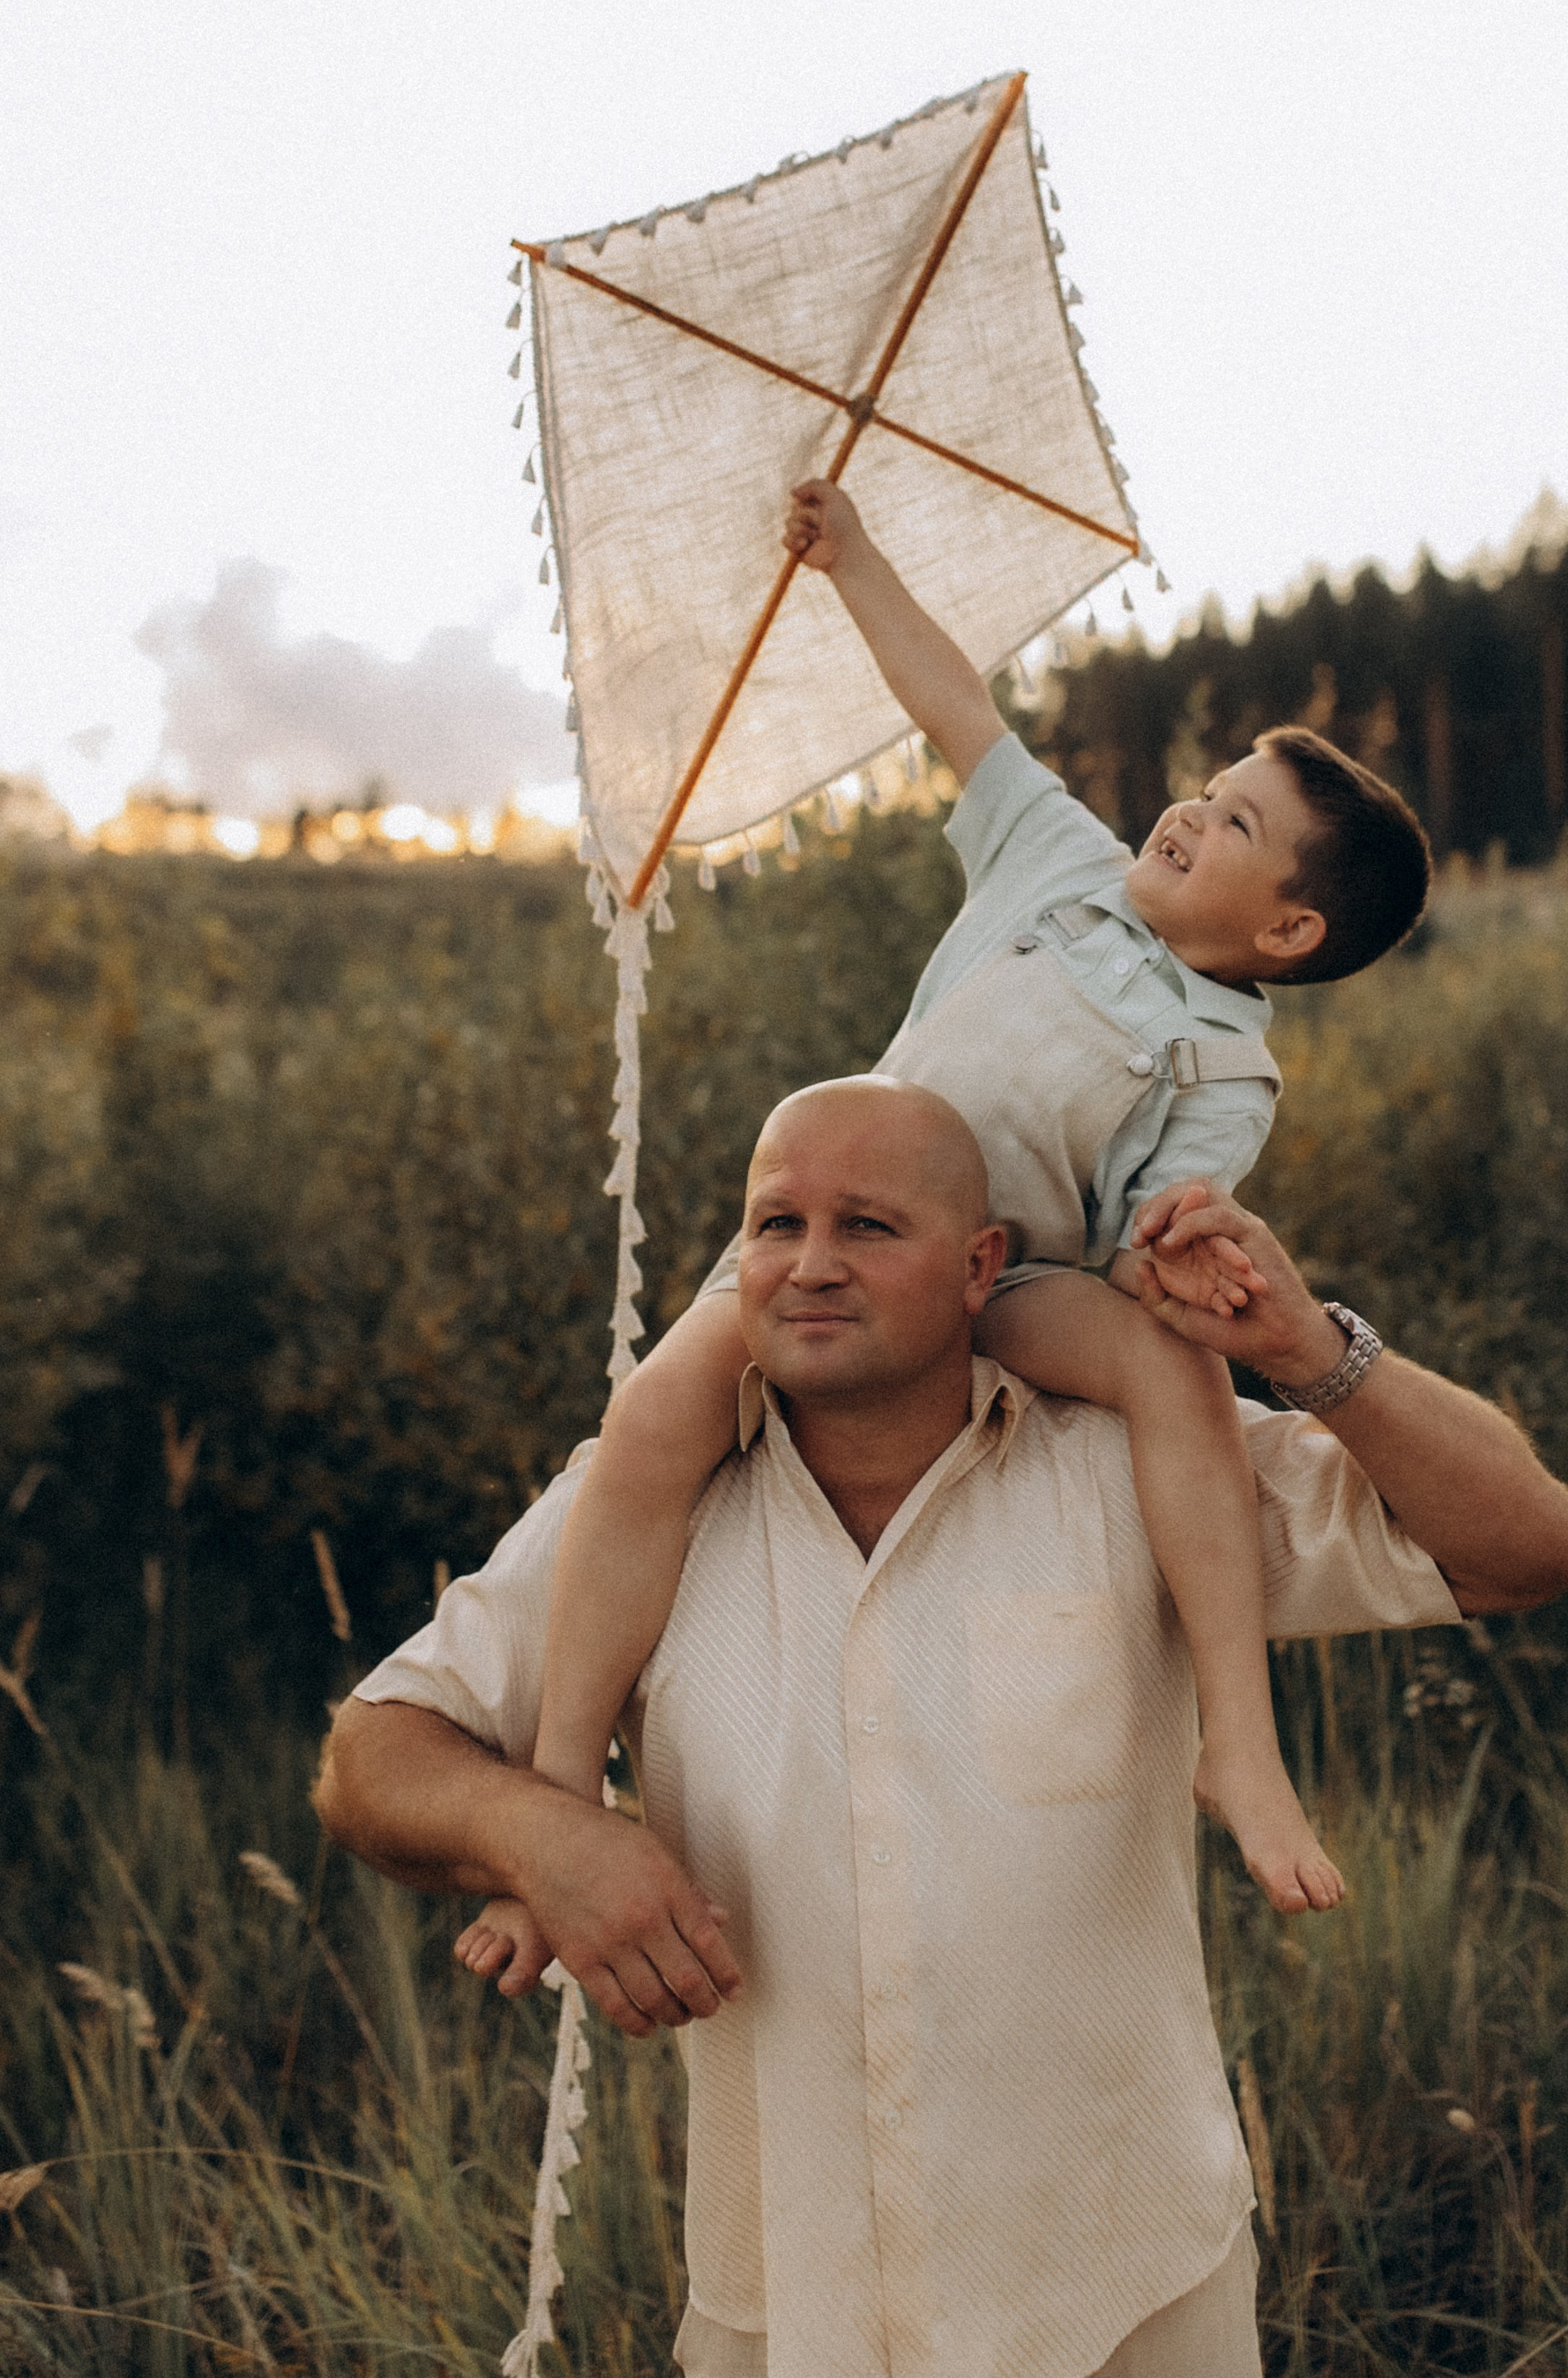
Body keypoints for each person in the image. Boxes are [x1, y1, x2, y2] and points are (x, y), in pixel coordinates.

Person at [317, 1075, 1568, 2378]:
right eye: (776, 1225)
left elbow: (1526, 1550)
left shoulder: (1144, 1462)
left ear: (984, 1265)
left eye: (867, 1226)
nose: (812, 1265)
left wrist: (1311, 1351)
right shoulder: (634, 1510)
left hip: (1130, 2302)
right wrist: (549, 1840)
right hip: (791, 2316)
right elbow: (372, 1754)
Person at [468, 480, 1433, 1995]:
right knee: (653, 1424)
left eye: (1238, 821)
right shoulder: (1060, 865)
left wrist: (1179, 1269)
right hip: (841, 1225)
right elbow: (954, 705)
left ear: (1288, 931)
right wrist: (850, 559)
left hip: (1013, 1280)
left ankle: (1238, 1748)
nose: (1190, 810)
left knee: (1179, 1378)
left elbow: (1142, 1248)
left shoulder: (1223, 1068)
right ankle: (557, 1790)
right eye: (1208, 786)